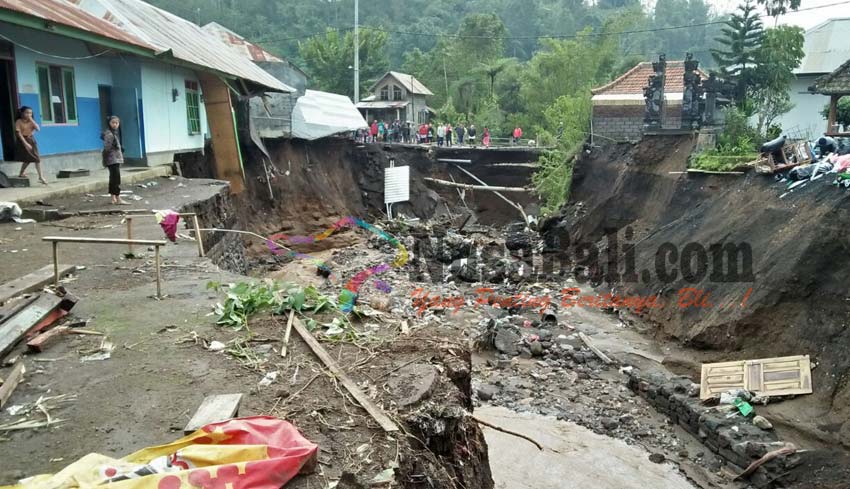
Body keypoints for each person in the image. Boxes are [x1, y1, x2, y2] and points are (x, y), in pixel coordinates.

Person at [15, 106, 46, 185]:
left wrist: (31, 119)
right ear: (22, 113)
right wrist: (25, 143)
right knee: (31, 158)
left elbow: (38, 129)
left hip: (31, 140)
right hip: (23, 140)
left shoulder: (31, 121)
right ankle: (39, 176)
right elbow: (18, 134)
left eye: (30, 113)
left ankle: (38, 176)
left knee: (34, 158)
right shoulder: (19, 121)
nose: (29, 114)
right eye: (27, 112)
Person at [102, 116, 127, 205]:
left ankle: (113, 198)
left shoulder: (114, 133)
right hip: (112, 159)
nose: (115, 124)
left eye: (117, 123)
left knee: (113, 178)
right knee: (116, 178)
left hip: (115, 158)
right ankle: (118, 197)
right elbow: (107, 148)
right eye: (113, 122)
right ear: (109, 123)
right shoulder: (109, 134)